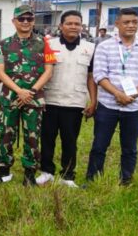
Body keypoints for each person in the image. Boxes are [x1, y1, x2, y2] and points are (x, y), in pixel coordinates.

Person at [86, 8, 138, 185]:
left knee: (130, 147)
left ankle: (125, 180)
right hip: (108, 105)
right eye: (126, 22)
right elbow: (100, 75)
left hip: (135, 106)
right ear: (117, 24)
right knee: (99, 145)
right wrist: (118, 94)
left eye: (134, 22)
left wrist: (131, 95)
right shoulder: (104, 46)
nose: (131, 25)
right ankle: (93, 179)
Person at [0, 5, 56, 185]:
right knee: (5, 134)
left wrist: (32, 91)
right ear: (14, 21)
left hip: (34, 99)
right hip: (10, 98)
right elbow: (0, 73)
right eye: (21, 19)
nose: (26, 22)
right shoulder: (3, 45)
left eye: (29, 19)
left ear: (33, 21)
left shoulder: (44, 44)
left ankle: (29, 173)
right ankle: (4, 171)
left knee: (32, 136)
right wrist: (19, 91)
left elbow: (49, 71)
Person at [38, 11, 96, 188]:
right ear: (61, 26)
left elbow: (90, 76)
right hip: (50, 100)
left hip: (74, 102)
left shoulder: (90, 48)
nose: (73, 27)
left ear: (81, 26)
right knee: (47, 138)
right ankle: (46, 172)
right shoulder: (48, 44)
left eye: (77, 24)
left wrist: (93, 101)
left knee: (70, 140)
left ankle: (68, 175)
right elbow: (41, 72)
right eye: (69, 23)